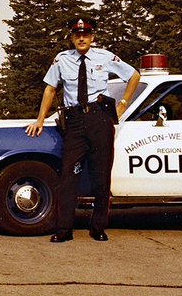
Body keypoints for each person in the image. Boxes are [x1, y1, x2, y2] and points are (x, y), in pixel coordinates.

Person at [25, 17, 139, 243]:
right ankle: (64, 229)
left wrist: (123, 103)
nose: (81, 38)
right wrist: (40, 119)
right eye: (77, 35)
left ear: (92, 37)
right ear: (71, 38)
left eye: (86, 34)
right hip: (74, 120)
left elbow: (134, 75)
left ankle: (98, 227)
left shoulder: (105, 57)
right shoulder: (62, 59)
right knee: (68, 175)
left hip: (99, 118)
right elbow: (50, 89)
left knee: (101, 174)